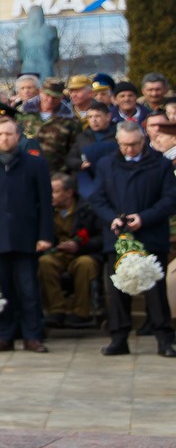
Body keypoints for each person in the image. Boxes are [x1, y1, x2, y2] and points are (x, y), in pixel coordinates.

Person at [88, 122, 176, 357]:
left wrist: (144, 218)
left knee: (155, 290)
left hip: (150, 234)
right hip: (118, 237)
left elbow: (170, 199)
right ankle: (119, 338)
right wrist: (112, 219)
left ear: (143, 140)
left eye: (135, 144)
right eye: (125, 145)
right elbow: (97, 199)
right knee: (117, 291)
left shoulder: (161, 164)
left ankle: (164, 339)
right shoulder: (107, 164)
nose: (130, 149)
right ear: (118, 142)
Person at [0, 115, 54, 353]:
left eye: (8, 134)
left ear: (18, 136)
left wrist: (45, 235)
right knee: (2, 289)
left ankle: (32, 336)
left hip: (27, 237)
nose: (4, 138)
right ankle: (4, 335)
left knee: (28, 290)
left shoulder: (36, 164)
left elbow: (45, 204)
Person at [39, 175, 101, 330]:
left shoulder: (88, 209)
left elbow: (102, 238)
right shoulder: (45, 209)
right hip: (57, 254)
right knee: (45, 262)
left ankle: (81, 312)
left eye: (55, 191)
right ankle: (56, 310)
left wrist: (79, 246)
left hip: (82, 253)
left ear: (69, 193)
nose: (50, 195)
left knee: (85, 264)